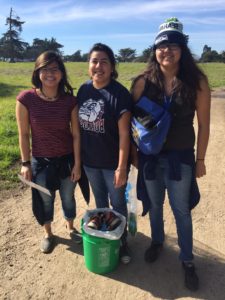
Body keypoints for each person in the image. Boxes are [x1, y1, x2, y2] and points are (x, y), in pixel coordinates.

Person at [131, 18, 211, 291]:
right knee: (154, 205)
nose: (167, 50)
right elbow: (131, 123)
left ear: (183, 49)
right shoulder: (143, 82)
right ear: (155, 49)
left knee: (182, 211)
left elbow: (204, 124)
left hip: (181, 159)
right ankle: (157, 241)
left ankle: (187, 260)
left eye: (174, 44)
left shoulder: (197, 82)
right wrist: (133, 154)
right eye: (162, 45)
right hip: (151, 159)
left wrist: (200, 159)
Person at [16, 50, 83, 254]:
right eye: (45, 69)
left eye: (55, 69)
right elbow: (24, 134)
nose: (50, 74)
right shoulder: (26, 99)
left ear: (62, 73)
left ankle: (70, 226)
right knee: (44, 199)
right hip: (41, 161)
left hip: (66, 160)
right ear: (38, 72)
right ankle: (48, 233)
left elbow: (76, 135)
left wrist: (78, 164)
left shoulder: (70, 101)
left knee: (68, 196)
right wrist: (25, 163)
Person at [77, 43, 133, 264]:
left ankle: (122, 241)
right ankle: (105, 240)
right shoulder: (83, 90)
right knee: (100, 204)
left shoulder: (119, 94)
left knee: (118, 206)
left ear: (112, 67)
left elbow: (124, 135)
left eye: (104, 62)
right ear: (88, 64)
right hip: (91, 163)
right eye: (94, 61)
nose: (98, 66)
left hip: (112, 164)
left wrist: (121, 167)